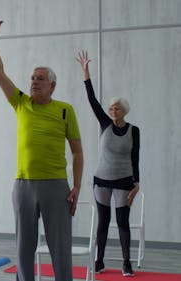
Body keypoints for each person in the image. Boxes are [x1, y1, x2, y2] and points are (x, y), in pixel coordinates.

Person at [0, 11, 83, 281]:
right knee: (24, 247)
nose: (33, 82)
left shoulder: (64, 110)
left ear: (52, 85)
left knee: (60, 248)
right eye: (32, 78)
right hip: (23, 185)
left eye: (39, 78)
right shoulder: (22, 103)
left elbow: (78, 151)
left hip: (56, 185)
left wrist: (77, 185)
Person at [76, 50, 140, 277]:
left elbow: (135, 157)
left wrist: (137, 182)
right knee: (103, 222)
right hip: (101, 180)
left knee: (123, 222)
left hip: (124, 180)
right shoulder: (105, 123)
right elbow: (92, 100)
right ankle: (99, 261)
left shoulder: (134, 131)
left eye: (117, 108)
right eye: (111, 108)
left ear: (124, 110)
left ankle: (126, 263)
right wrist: (86, 72)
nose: (113, 111)